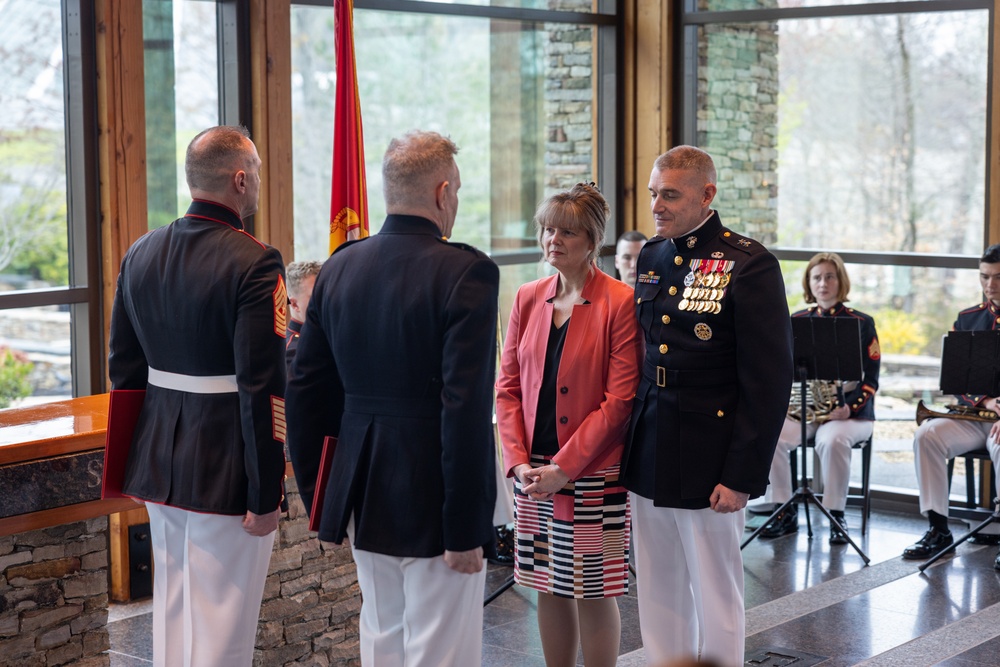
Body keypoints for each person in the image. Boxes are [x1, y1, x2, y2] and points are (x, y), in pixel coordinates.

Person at [285, 130, 499, 667]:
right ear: (443, 191)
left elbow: (306, 391)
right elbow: (465, 409)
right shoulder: (466, 271)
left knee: (382, 636)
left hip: (361, 484)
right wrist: (466, 525)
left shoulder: (338, 268)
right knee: (440, 649)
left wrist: (321, 495)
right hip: (434, 489)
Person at [107, 125, 286, 666]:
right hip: (226, 464)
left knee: (175, 614)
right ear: (238, 178)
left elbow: (125, 368)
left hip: (159, 458)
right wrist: (265, 490)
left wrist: (131, 462)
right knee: (223, 627)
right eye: (254, 172)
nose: (257, 182)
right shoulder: (254, 260)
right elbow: (261, 386)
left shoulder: (142, 250)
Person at [621, 145, 792, 667]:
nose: (657, 205)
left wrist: (742, 474)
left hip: (711, 450)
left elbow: (768, 382)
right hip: (652, 438)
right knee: (656, 583)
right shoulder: (651, 255)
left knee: (715, 588)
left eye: (670, 194)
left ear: (707, 195)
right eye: (653, 193)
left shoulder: (749, 263)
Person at [496, 183, 642, 667]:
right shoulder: (525, 297)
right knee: (547, 585)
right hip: (532, 475)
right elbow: (508, 387)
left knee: (593, 589)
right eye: (547, 229)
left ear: (592, 239)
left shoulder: (619, 302)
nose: (552, 240)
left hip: (592, 473)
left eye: (567, 232)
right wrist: (517, 463)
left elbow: (619, 401)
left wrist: (566, 467)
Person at [759, 252, 880, 544]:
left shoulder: (862, 322)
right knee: (771, 437)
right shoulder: (797, 321)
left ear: (840, 281)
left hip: (849, 415)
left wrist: (849, 408)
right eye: (817, 277)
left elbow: (871, 379)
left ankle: (836, 514)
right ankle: (783, 511)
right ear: (809, 283)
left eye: (829, 276)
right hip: (807, 411)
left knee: (832, 440)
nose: (823, 283)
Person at [903, 243, 1000, 564]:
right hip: (975, 416)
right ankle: (939, 529)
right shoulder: (968, 319)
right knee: (926, 435)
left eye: (998, 277)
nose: (990, 286)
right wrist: (984, 399)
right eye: (984, 277)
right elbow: (958, 382)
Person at [284, 259, 322, 371]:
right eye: (315, 296)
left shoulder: (327, 336)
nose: (324, 301)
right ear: (294, 304)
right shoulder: (294, 351)